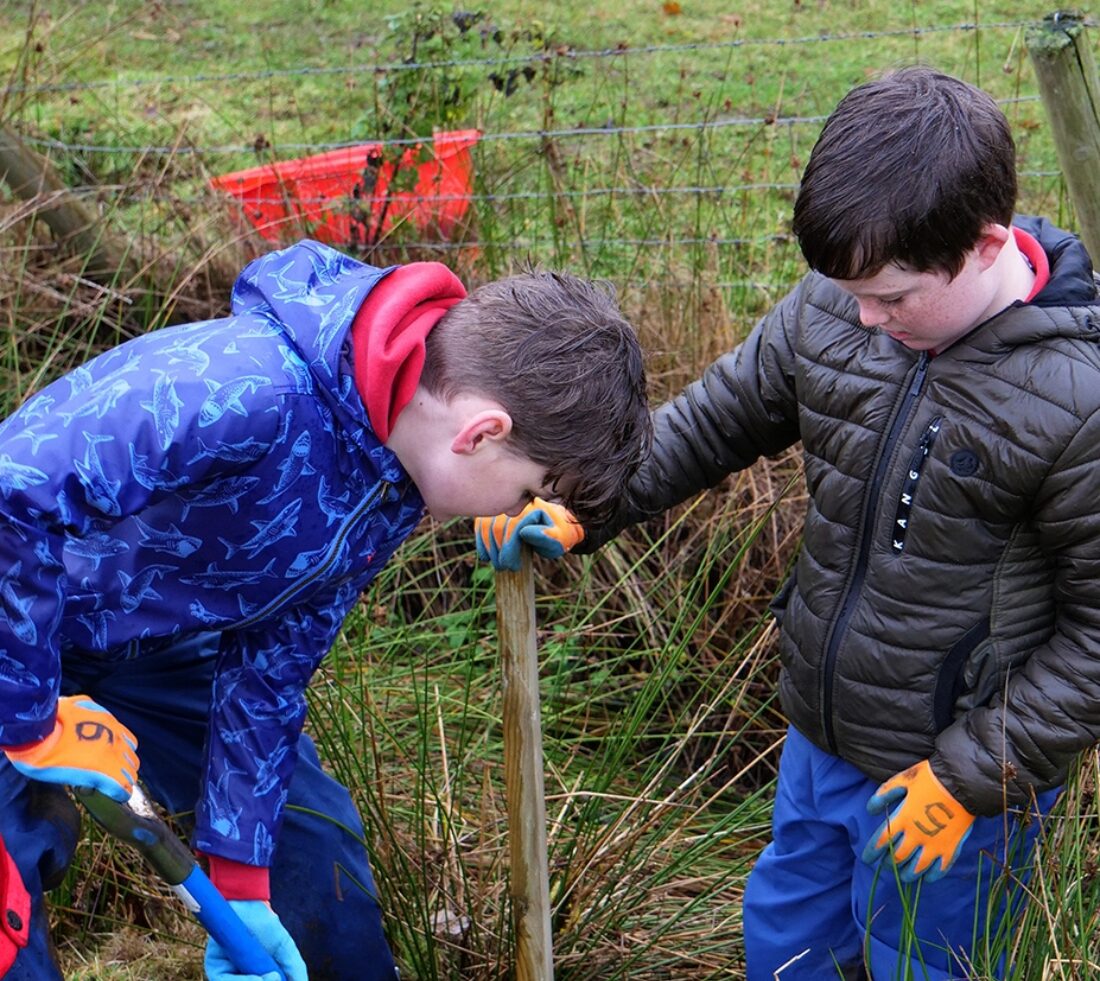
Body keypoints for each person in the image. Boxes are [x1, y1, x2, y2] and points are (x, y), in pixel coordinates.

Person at [475, 65, 1100, 979]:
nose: (866, 318)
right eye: (848, 290)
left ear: (985, 243)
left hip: (953, 782)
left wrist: (976, 775)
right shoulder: (834, 312)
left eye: (891, 297)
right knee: (788, 934)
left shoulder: (1076, 402)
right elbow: (710, 422)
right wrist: (579, 504)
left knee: (924, 958)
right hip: (818, 730)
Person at [0, 239, 651, 981]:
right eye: (528, 490)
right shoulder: (243, 388)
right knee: (11, 883)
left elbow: (272, 664)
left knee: (306, 837)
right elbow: (10, 493)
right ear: (482, 434)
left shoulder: (390, 478)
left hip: (145, 647)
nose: (514, 511)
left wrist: (241, 884)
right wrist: (29, 719)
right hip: (14, 627)